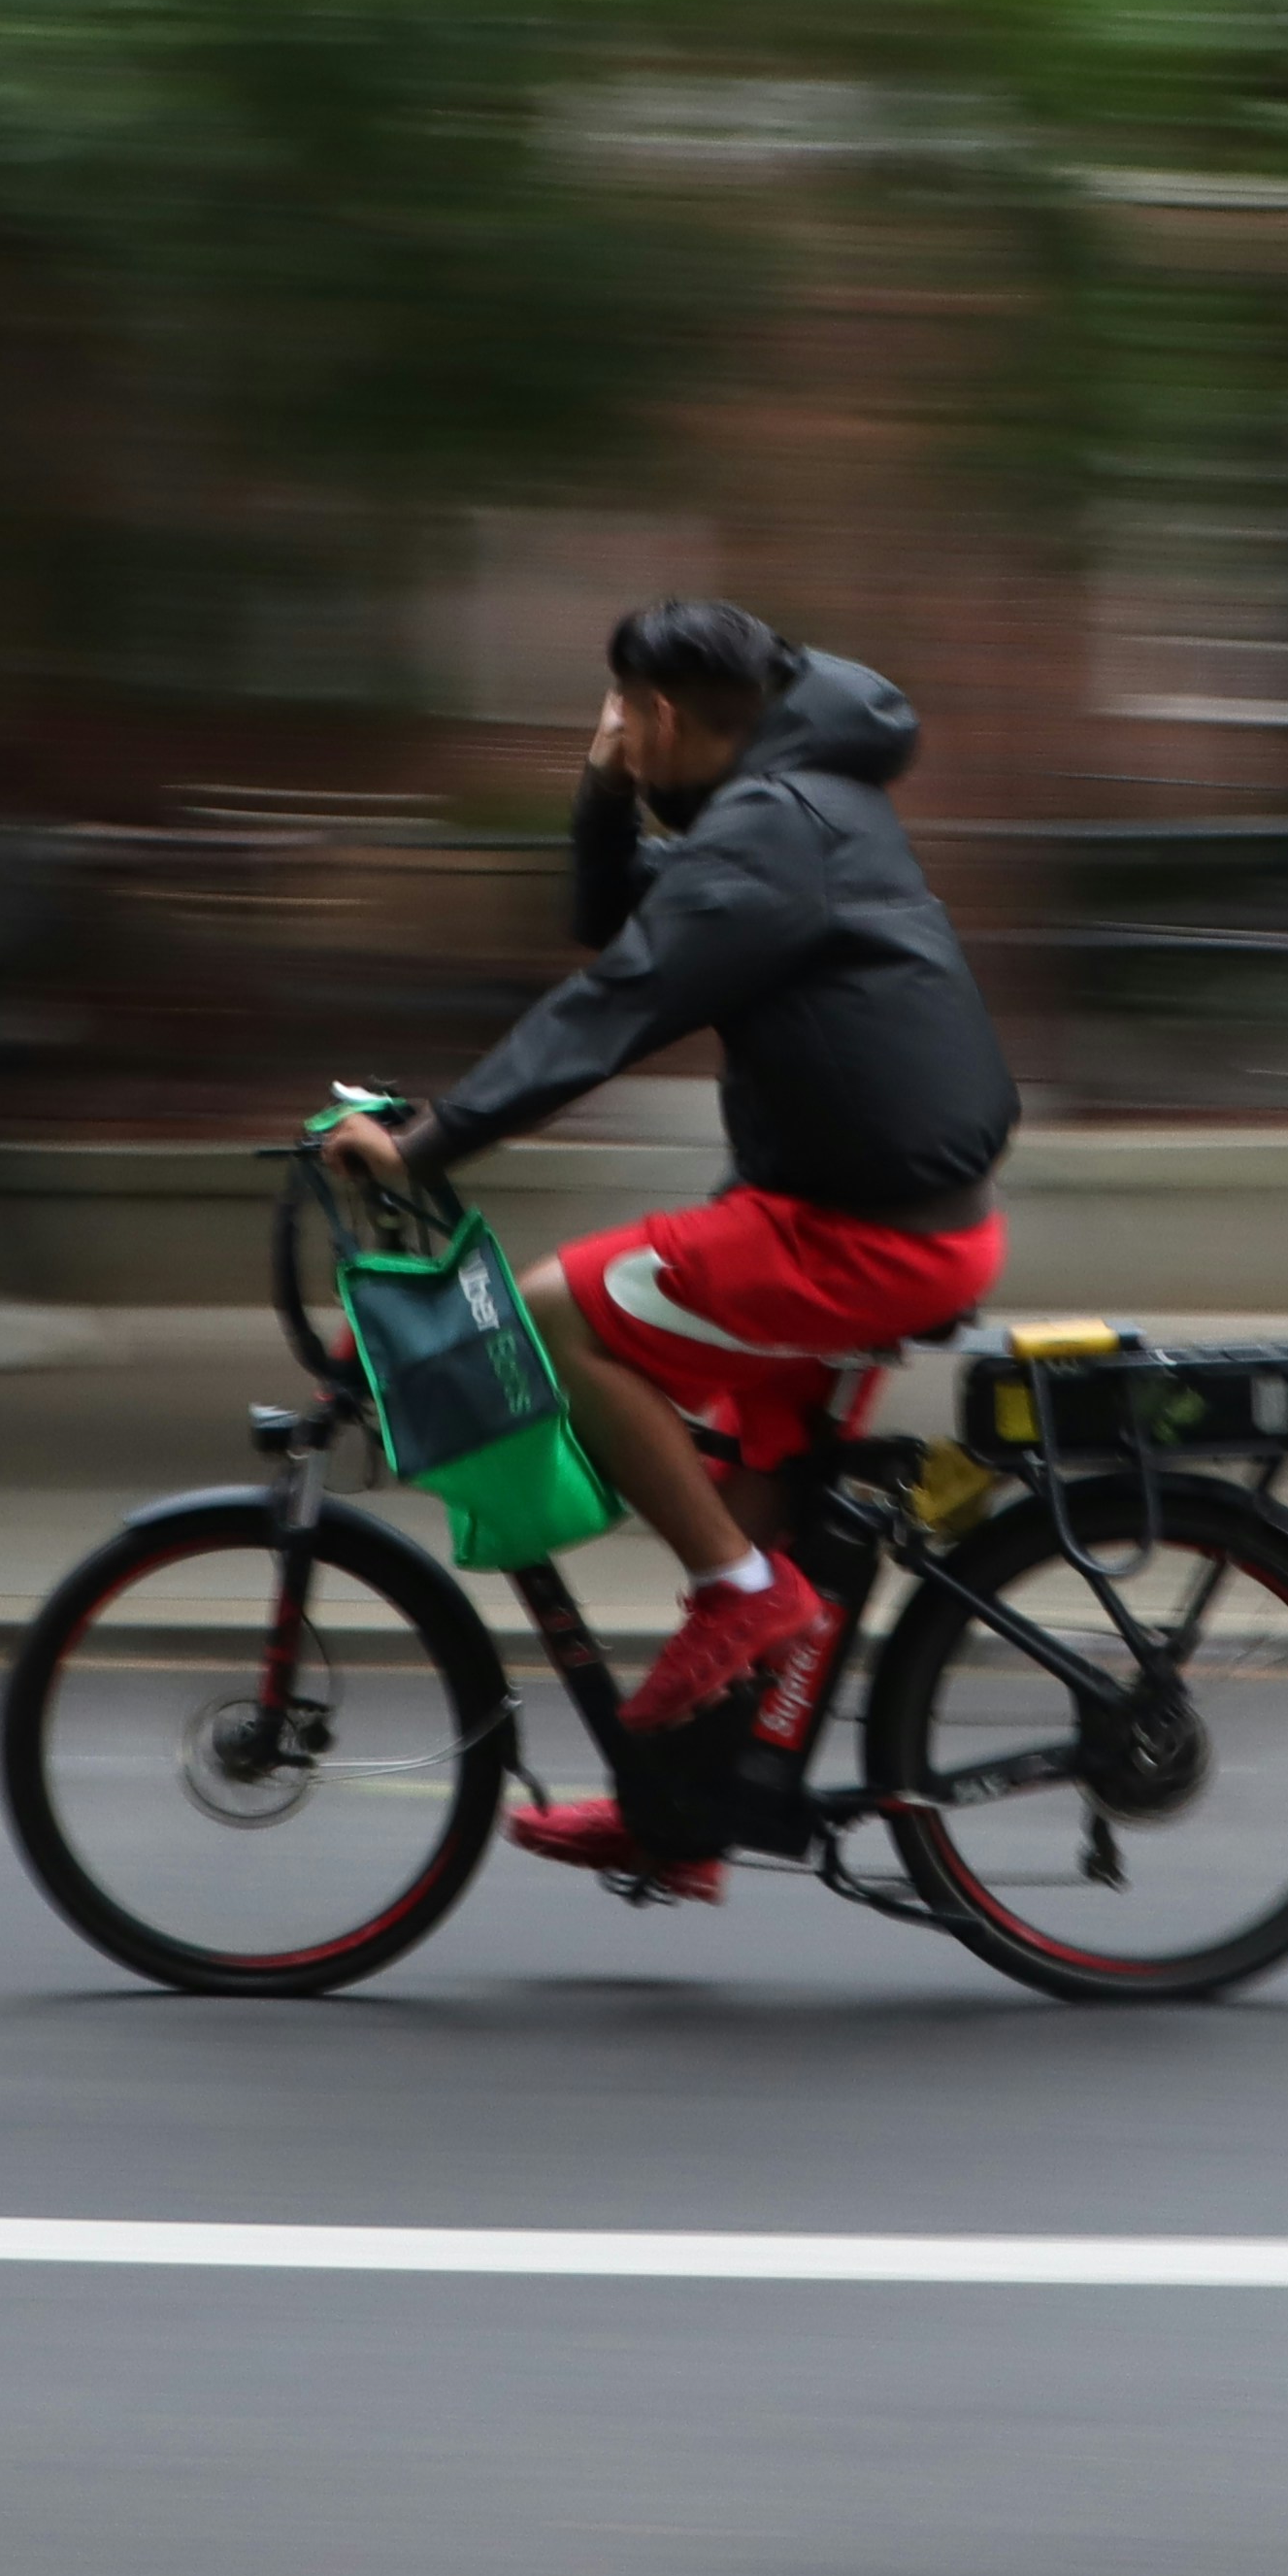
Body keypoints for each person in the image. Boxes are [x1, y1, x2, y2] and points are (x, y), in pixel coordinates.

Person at [324, 599, 1016, 1902]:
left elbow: (615, 1004)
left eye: (622, 721)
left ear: (658, 713)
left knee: (553, 1315)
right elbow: (618, 923)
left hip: (861, 1237)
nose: (616, 739)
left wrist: (428, 1146)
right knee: (746, 1478)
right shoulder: (789, 803)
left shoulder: (773, 834)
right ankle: (685, 1816)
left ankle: (742, 1593)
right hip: (877, 1213)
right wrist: (602, 785)